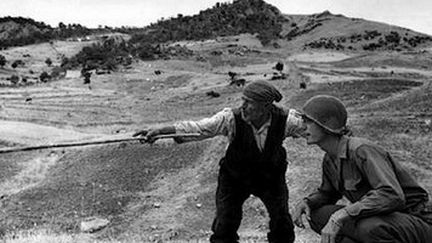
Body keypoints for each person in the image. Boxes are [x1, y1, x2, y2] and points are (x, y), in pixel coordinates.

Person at [133, 80, 304, 243]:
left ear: (266, 106)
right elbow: (199, 129)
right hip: (235, 178)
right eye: (242, 100)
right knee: (224, 225)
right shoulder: (230, 118)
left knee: (282, 224)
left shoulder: (287, 120)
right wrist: (160, 131)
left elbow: (314, 128)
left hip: (270, 178)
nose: (243, 106)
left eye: (249, 102)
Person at [293, 94, 432, 243]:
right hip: (383, 218)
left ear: (326, 125)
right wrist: (307, 202)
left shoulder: (361, 150)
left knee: (368, 228)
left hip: (415, 220)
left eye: (308, 121)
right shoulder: (330, 158)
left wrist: (343, 214)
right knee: (317, 215)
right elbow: (328, 193)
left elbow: (391, 195)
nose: (303, 126)